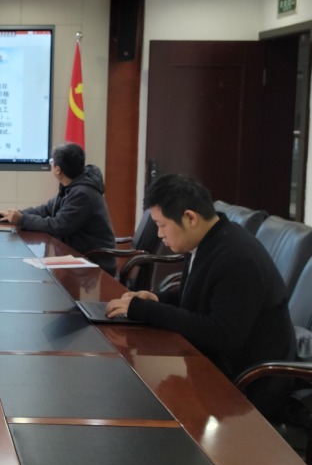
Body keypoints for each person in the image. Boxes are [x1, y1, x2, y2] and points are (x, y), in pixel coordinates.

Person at [105, 174, 296, 417]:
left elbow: (220, 335)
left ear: (190, 218)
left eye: (162, 225)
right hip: (216, 366)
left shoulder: (238, 259)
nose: (159, 234)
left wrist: (144, 310)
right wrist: (157, 299)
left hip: (249, 387)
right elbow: (198, 298)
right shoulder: (211, 240)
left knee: (144, 401)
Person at [0, 143, 117, 274]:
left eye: (52, 162)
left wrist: (22, 219)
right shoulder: (73, 187)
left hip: (93, 262)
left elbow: (58, 226)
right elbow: (46, 209)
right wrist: (16, 214)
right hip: (77, 256)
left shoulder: (82, 194)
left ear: (58, 170)